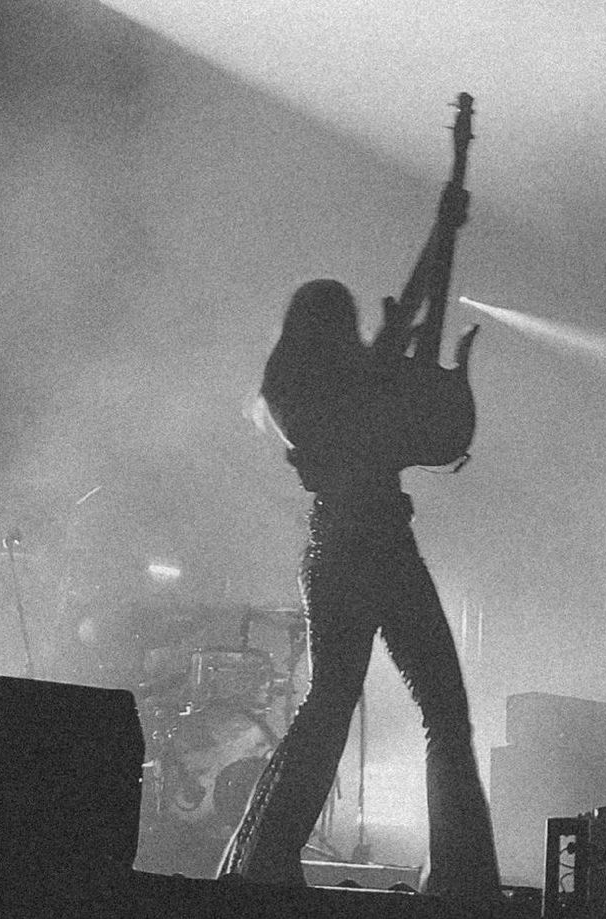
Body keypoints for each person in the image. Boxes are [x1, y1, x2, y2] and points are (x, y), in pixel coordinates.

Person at [218, 183, 503, 915]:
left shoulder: (299, 386)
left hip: (351, 545)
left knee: (335, 706)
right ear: (330, 327)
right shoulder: (326, 386)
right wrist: (440, 233)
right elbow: (405, 320)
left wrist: (442, 235)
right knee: (431, 710)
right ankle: (460, 880)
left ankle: (264, 860)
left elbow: (404, 322)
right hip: (365, 545)